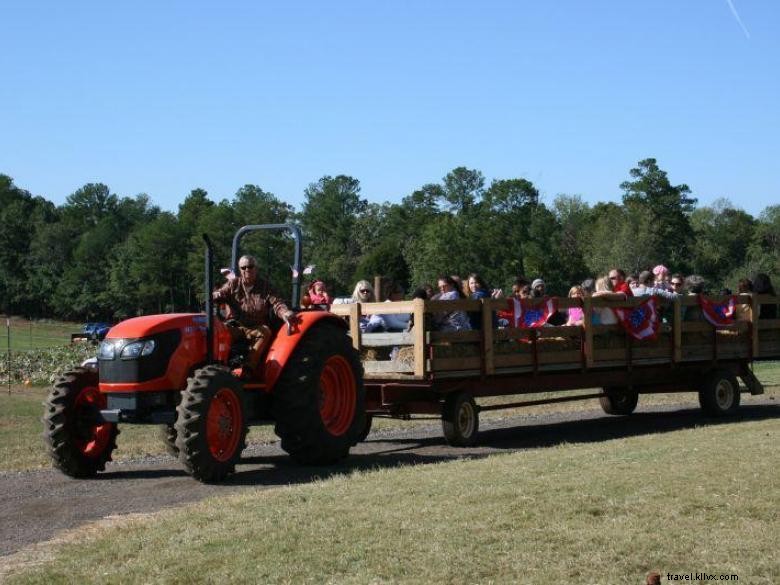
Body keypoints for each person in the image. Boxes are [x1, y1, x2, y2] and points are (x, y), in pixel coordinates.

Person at [212, 254, 295, 375]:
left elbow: (277, 303)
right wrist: (216, 295)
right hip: (236, 325)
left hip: (255, 327)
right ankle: (219, 367)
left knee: (265, 332)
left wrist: (285, 312)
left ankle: (248, 369)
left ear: (256, 268)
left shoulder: (266, 286)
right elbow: (221, 293)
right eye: (243, 267)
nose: (247, 270)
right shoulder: (233, 284)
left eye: (250, 266)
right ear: (240, 269)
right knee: (217, 332)